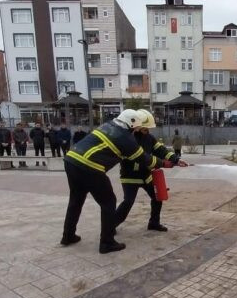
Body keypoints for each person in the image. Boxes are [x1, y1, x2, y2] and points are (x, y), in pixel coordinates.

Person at [61, 109, 172, 254]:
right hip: (90, 167)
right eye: (136, 128)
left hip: (71, 161)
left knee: (76, 200)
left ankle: (68, 236)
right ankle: (107, 243)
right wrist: (164, 163)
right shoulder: (125, 138)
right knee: (108, 202)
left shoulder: (107, 125)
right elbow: (145, 159)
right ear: (131, 125)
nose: (137, 130)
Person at [115, 110, 187, 232]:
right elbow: (144, 158)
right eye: (145, 128)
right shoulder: (128, 139)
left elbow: (161, 150)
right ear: (137, 126)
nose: (148, 131)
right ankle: (110, 225)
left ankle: (154, 223)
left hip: (146, 176)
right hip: (130, 177)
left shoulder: (149, 138)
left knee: (157, 198)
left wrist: (175, 159)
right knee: (128, 202)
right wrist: (163, 163)